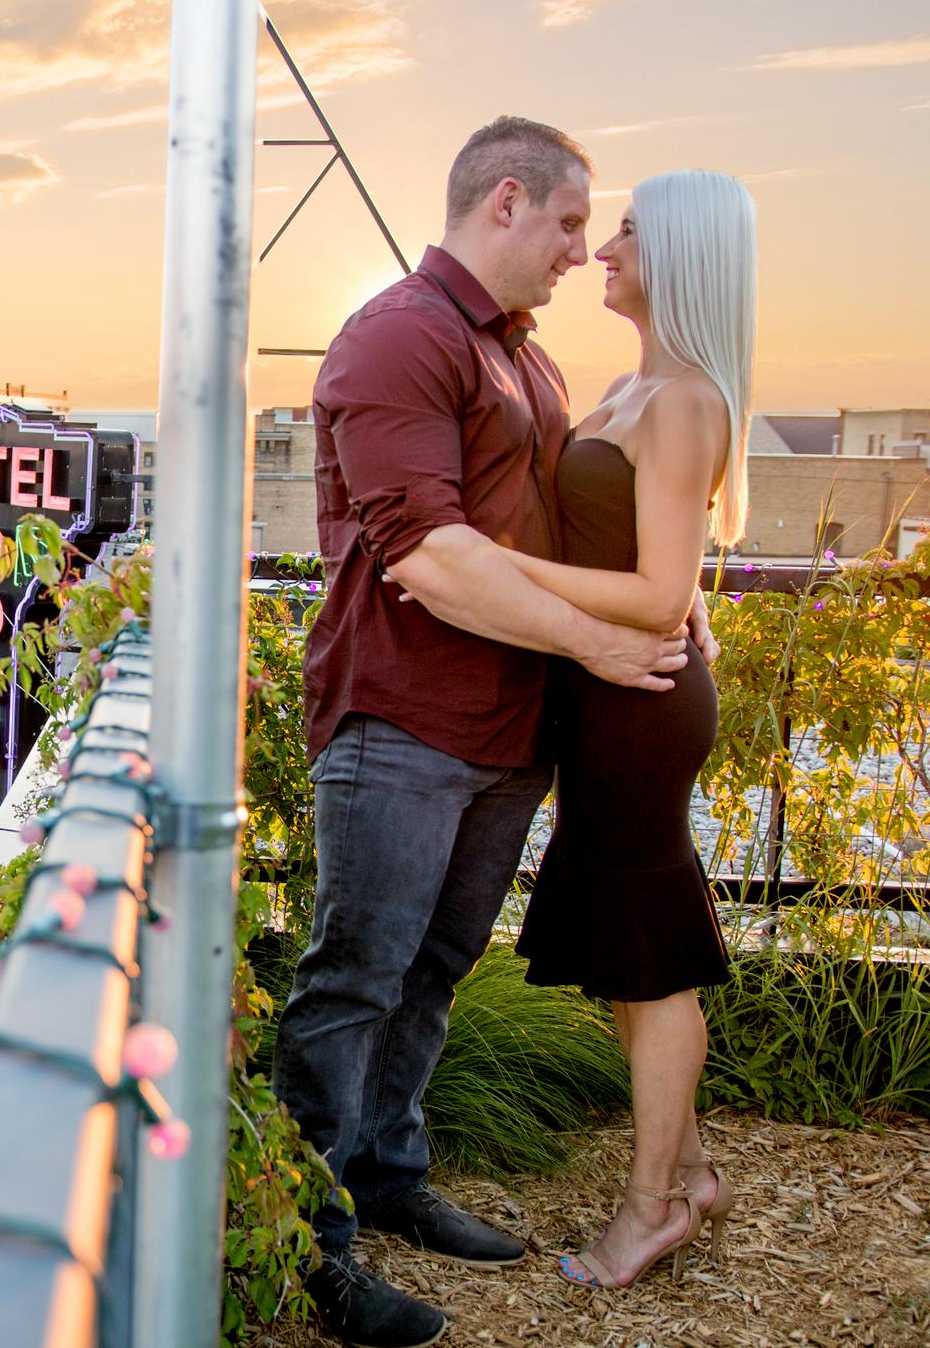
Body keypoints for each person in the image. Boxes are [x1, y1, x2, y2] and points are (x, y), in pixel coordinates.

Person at [273, 116, 712, 1348]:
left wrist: (674, 607)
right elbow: (427, 558)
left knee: (431, 970)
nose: (582, 249)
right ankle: (309, 1241)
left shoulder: (526, 360)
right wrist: (597, 643)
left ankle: (388, 1176)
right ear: (506, 202)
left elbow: (562, 548)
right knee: (353, 978)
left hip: (508, 728)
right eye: (571, 222)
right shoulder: (396, 337)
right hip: (401, 718)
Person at [480, 170, 753, 1289]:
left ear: (679, 256)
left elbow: (653, 592)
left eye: (626, 234)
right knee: (623, 955)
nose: (602, 250)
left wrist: (486, 564)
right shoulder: (632, 387)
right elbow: (645, 571)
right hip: (603, 696)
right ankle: (684, 1171)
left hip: (638, 700)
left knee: (648, 966)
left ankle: (648, 1210)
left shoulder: (684, 400)